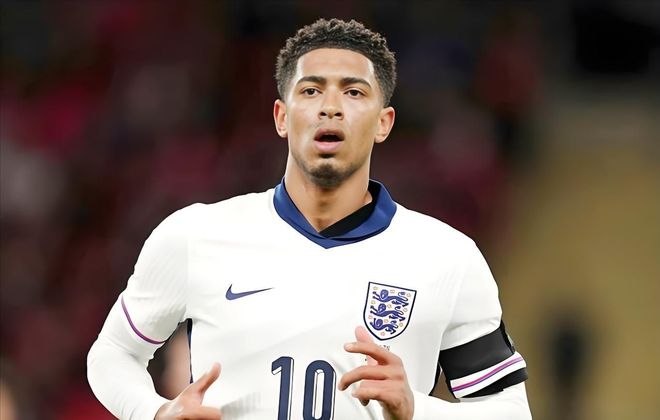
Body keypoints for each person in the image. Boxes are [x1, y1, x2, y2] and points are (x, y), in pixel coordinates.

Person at [87, 18, 532, 420]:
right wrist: (153, 413)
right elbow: (112, 353)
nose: (330, 106)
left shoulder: (449, 258)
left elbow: (509, 411)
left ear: (384, 123)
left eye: (354, 92)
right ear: (282, 117)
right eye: (311, 90)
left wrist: (417, 410)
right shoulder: (195, 235)